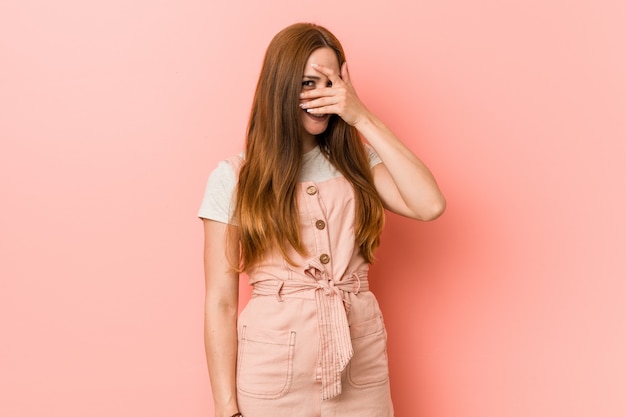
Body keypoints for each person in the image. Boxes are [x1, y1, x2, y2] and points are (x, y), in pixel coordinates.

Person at [198, 22, 445, 417]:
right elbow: (221, 302)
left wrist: (362, 116)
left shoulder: (360, 164)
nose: (323, 96)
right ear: (280, 89)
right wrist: (226, 408)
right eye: (309, 83)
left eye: (333, 83)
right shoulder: (235, 177)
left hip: (360, 366)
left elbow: (429, 205)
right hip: (271, 371)